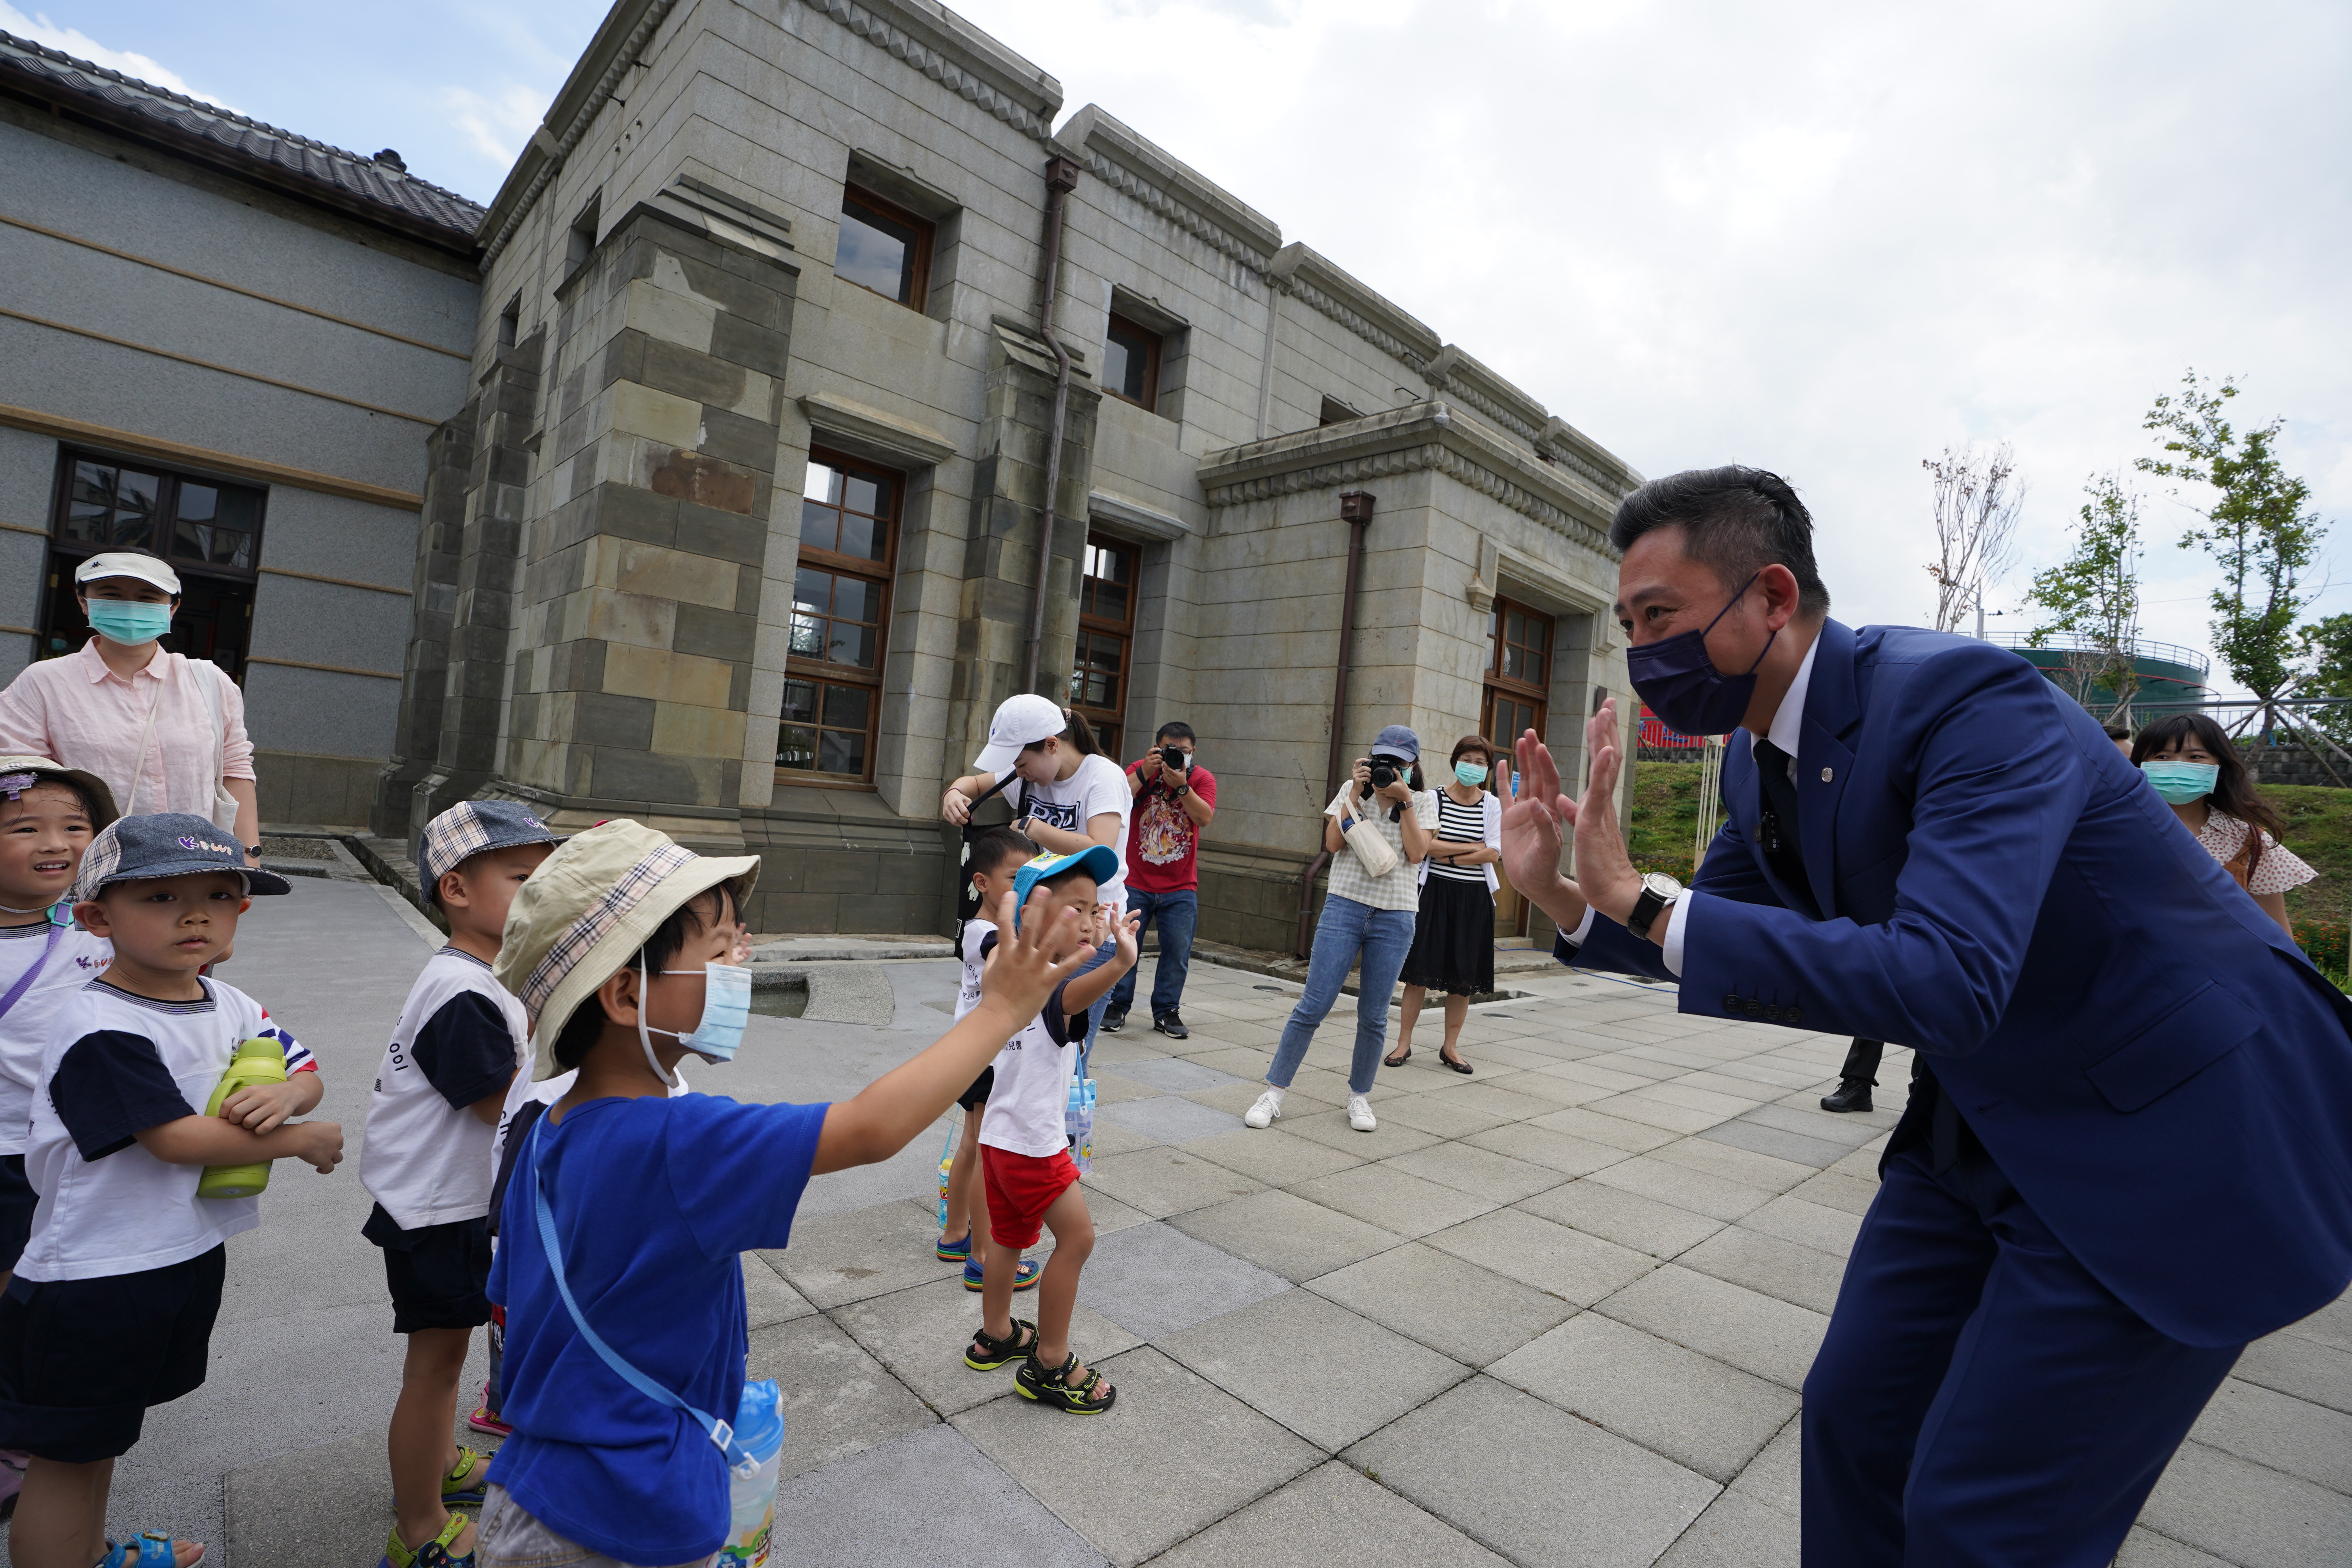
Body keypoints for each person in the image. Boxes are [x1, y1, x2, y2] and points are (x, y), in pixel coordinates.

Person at [1497, 466, 2352, 1568]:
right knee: (1856, 1425)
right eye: (1626, 624)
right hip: (1981, 1121)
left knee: (1982, 1521)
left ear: (1768, 595)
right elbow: (1705, 932)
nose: (1641, 649)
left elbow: (1948, 976)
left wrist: (1637, 893)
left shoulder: (1965, 700)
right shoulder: (1761, 769)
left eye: (1660, 617)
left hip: (2172, 1132)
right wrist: (1564, 892)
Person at [475, 818, 1089, 1567]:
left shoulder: (544, 1133)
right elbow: (869, 1130)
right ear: (627, 995)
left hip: (532, 1493)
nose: (745, 959)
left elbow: (513, 1315)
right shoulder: (676, 1143)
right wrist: (1001, 1012)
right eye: (722, 948)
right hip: (626, 1515)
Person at [1, 814, 339, 1568]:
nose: (195, 915)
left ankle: (93, 1555)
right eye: (159, 898)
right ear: (95, 918)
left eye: (219, 894)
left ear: (241, 908)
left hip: (174, 1256)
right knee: (65, 1460)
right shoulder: (99, 1025)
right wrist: (298, 1138)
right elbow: (172, 1138)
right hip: (90, 1279)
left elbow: (301, 1067)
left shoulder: (231, 1004)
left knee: (104, 1438)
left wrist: (291, 1098)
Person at [361, 802, 563, 1568]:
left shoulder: (486, 977)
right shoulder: (462, 991)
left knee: (447, 1356)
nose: (541, 895)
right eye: (522, 879)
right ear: (456, 887)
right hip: (437, 1212)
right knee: (436, 1364)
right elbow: (500, 1101)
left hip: (452, 1204)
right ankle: (419, 1527)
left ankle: (440, 1462)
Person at [963, 845, 1137, 1414]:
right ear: (1035, 918)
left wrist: (1102, 948)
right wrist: (1117, 962)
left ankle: (996, 1334)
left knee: (1010, 1241)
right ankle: (1052, 1362)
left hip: (998, 1140)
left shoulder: (1006, 978)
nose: (1090, 920)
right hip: (1035, 1146)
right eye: (1077, 909)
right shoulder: (1053, 991)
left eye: (1094, 909)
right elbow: (1076, 993)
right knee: (1078, 1239)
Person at [0, 757, 116, 1519]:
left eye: (76, 826)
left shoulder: (103, 932)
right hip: (5, 1150)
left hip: (73, 1152)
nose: (56, 842)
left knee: (41, 1299)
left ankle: (21, 1429)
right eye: (26, 827)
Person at [0, 552, 260, 864]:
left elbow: (236, 771)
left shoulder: (210, 681)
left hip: (197, 867)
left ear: (173, 607)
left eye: (147, 596)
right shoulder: (43, 683)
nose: (130, 606)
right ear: (84, 601)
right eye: (112, 595)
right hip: (93, 872)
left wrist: (249, 856)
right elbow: (21, 782)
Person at [1245, 726, 1435, 1134]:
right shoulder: (1354, 789)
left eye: (1399, 763)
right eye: (1383, 760)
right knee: (1313, 1004)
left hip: (1396, 914)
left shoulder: (1423, 800)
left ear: (1412, 766)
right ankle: (1274, 1093)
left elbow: (1418, 854)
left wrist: (1405, 805)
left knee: (1374, 1014)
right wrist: (1354, 796)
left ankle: (1359, 1097)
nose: (1390, 769)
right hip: (1345, 906)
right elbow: (1333, 843)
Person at [941, 696, 1131, 1053]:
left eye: (1023, 762)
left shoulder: (1103, 777)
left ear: (1052, 745)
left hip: (1088, 929)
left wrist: (1035, 829)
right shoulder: (1027, 775)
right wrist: (954, 793)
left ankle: (1064, 1111)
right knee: (1026, 1048)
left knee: (1066, 1049)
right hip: (1038, 931)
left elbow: (1100, 846)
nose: (1019, 771)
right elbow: (974, 784)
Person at [938, 825, 1044, 1294]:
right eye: (1014, 879)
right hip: (988, 1054)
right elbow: (1007, 954)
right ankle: (983, 1256)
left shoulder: (986, 927)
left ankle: (955, 1234)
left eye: (1030, 881)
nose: (1021, 890)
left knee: (970, 1144)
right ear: (982, 883)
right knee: (985, 1152)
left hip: (972, 1050)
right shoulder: (983, 931)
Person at [2132, 713, 2314, 940]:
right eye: (2162, 756)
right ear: (2139, 765)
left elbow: (2277, 932)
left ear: (2220, 767)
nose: (2177, 765)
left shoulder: (2250, 841)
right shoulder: (2113, 830)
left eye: (2196, 756)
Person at [1390, 733, 1503, 1074]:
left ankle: (1450, 1048)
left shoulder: (1492, 804)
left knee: (1463, 977)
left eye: (1480, 763)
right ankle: (1404, 1043)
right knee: (1418, 974)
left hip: (1475, 899)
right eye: (1467, 760)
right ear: (1455, 762)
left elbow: (1494, 853)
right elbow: (1427, 848)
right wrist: (1470, 847)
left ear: (1488, 769)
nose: (1473, 767)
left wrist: (1451, 849)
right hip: (1434, 893)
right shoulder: (1433, 798)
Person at [1105, 722, 1217, 1039]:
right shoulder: (1141, 769)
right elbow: (1116, 798)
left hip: (1181, 886)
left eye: (1182, 752)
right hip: (1136, 880)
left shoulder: (1201, 778)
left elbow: (1204, 817)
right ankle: (1117, 1004)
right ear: (1156, 748)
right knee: (1124, 947)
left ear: (1193, 752)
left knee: (1177, 954)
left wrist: (1182, 786)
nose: (1175, 756)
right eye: (1169, 749)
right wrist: (1144, 773)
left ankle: (1167, 1011)